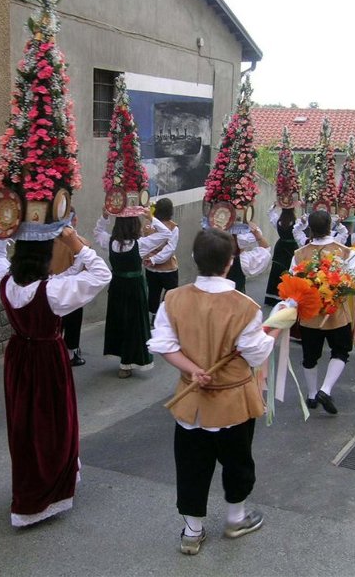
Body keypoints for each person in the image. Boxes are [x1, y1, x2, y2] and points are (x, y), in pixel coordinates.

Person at [148, 228, 277, 556]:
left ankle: (192, 531)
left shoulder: (173, 299)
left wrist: (191, 369)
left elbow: (163, 344)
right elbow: (256, 354)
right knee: (237, 461)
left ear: (194, 258)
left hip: (191, 402)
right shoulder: (245, 306)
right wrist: (272, 332)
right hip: (234, 402)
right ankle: (236, 519)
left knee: (191, 464)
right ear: (230, 262)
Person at [0, 226, 111, 527]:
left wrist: (4, 226)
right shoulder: (52, 292)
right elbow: (102, 274)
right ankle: (46, 490)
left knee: (24, 424)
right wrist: (75, 242)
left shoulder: (3, 282)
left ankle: (33, 483)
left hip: (18, 356)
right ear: (44, 258)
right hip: (46, 358)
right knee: (51, 422)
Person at [290, 210, 355, 414]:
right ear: (330, 227)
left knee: (310, 356)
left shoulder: (299, 254)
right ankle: (325, 389)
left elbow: (294, 284)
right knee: (341, 351)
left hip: (310, 316)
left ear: (310, 228)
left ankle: (311, 395)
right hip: (336, 314)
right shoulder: (345, 251)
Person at [94, 207, 171, 378]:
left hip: (117, 286)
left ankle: (123, 361)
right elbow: (166, 234)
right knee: (134, 324)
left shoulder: (110, 242)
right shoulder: (140, 244)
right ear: (134, 225)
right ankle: (127, 363)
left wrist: (104, 216)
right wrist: (151, 217)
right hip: (134, 287)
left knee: (119, 321)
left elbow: (98, 231)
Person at [49, 207, 89, 366]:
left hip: (52, 286)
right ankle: (71, 354)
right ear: (74, 220)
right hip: (71, 288)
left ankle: (54, 351)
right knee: (73, 322)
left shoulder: (49, 240)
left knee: (57, 322)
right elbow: (84, 265)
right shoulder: (78, 243)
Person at [143, 198, 179, 326]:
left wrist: (152, 259)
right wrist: (155, 259)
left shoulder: (148, 224)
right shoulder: (173, 227)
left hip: (150, 266)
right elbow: (170, 249)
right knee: (171, 292)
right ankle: (163, 315)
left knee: (153, 292)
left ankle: (154, 316)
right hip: (168, 268)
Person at [264, 203, 299, 306]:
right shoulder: (296, 223)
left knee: (277, 270)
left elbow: (269, 213)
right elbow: (303, 226)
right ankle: (287, 296)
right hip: (291, 247)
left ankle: (272, 297)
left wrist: (274, 205)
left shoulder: (278, 221)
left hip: (280, 246)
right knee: (290, 270)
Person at [225, 222, 271, 294]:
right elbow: (265, 250)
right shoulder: (243, 261)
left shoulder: (211, 257)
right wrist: (258, 237)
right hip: (237, 298)